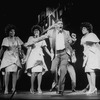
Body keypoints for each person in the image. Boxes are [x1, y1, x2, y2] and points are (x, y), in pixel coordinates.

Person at [30, 19, 77, 95]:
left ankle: (60, 89)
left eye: (61, 23)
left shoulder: (66, 32)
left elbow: (70, 42)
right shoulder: (51, 32)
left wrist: (73, 40)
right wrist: (33, 41)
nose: (60, 25)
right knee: (52, 70)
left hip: (64, 53)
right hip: (56, 54)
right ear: (56, 25)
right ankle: (56, 82)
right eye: (58, 24)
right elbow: (42, 37)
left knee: (63, 70)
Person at [24, 25, 51, 94]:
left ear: (39, 32)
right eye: (35, 31)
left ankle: (39, 87)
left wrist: (51, 55)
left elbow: (45, 48)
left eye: (37, 30)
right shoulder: (30, 38)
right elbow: (29, 49)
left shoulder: (42, 38)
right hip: (33, 56)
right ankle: (32, 87)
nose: (36, 32)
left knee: (39, 71)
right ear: (33, 32)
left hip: (39, 56)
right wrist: (26, 58)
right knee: (33, 71)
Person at [0, 24, 24, 94]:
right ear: (8, 32)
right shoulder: (5, 39)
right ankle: (6, 89)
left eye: (13, 31)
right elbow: (2, 49)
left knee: (14, 73)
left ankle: (13, 88)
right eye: (11, 31)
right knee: (7, 72)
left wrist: (21, 56)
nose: (12, 32)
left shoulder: (17, 39)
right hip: (7, 57)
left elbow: (20, 49)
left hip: (15, 57)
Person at [80, 22, 100, 95]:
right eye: (82, 28)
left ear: (88, 29)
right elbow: (84, 47)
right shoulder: (83, 38)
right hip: (87, 55)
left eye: (84, 28)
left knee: (91, 70)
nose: (83, 30)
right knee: (87, 71)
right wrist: (83, 55)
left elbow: (97, 44)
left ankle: (93, 87)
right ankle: (92, 87)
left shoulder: (92, 35)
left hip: (93, 54)